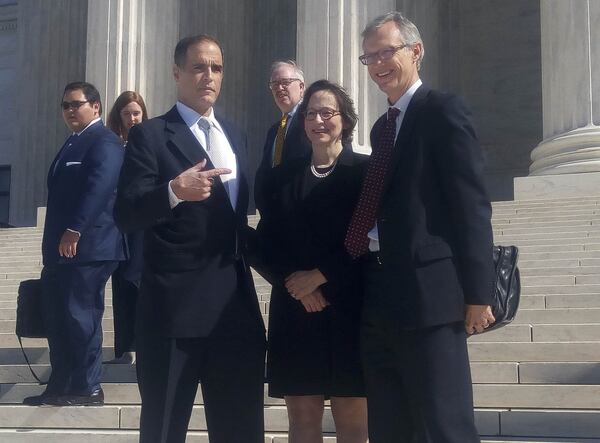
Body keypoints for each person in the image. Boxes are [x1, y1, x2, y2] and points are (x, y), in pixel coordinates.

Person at [345, 12, 496, 442]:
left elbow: (470, 204)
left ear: (416, 51)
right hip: (380, 295)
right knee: (391, 424)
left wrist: (477, 292)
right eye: (368, 57)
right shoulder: (381, 127)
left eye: (386, 52)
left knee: (443, 423)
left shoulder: (442, 110)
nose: (377, 64)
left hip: (431, 298)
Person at [114, 35, 266, 443]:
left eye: (216, 67)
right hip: (173, 314)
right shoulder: (150, 135)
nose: (209, 76)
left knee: (241, 429)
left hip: (234, 312)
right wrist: (172, 191)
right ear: (177, 73)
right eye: (199, 67)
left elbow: (235, 225)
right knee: (164, 430)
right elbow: (126, 213)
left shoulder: (235, 135)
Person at [256, 80, 368, 443]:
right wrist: (295, 282)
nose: (318, 120)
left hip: (351, 307)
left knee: (352, 420)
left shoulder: (364, 174)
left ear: (346, 121)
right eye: (310, 114)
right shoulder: (282, 177)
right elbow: (264, 242)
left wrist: (321, 276)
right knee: (302, 419)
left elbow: (371, 240)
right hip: (296, 311)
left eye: (327, 112)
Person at [24, 81, 125, 406]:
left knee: (80, 314)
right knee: (58, 317)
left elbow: (99, 188)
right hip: (60, 252)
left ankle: (87, 386)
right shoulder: (72, 143)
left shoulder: (104, 142)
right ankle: (60, 385)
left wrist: (75, 230)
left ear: (95, 106)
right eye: (65, 105)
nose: (69, 110)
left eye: (76, 104)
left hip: (89, 246)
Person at [104, 91, 149, 364]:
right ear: (118, 118)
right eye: (127, 114)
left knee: (140, 283)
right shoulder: (113, 148)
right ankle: (124, 348)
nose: (132, 118)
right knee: (121, 284)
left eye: (136, 113)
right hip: (120, 227)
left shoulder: (153, 144)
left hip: (144, 227)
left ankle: (145, 344)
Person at [254, 60, 311, 210]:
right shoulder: (275, 130)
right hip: (274, 217)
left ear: (301, 87)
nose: (279, 88)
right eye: (274, 84)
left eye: (285, 82)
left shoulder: (313, 120)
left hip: (302, 213)